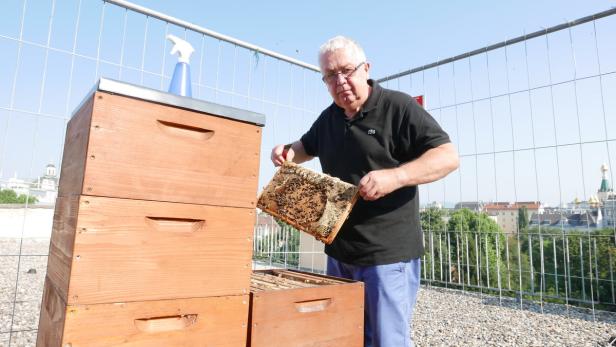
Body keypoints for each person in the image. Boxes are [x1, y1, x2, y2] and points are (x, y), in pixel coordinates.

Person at [270, 36, 459, 347]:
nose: (340, 81)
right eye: (330, 75)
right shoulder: (329, 117)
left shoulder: (398, 107)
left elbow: (448, 156)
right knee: (346, 336)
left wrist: (396, 177)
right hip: (339, 251)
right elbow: (306, 147)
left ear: (366, 68)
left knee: (387, 341)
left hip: (387, 255)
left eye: (346, 70)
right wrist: (287, 152)